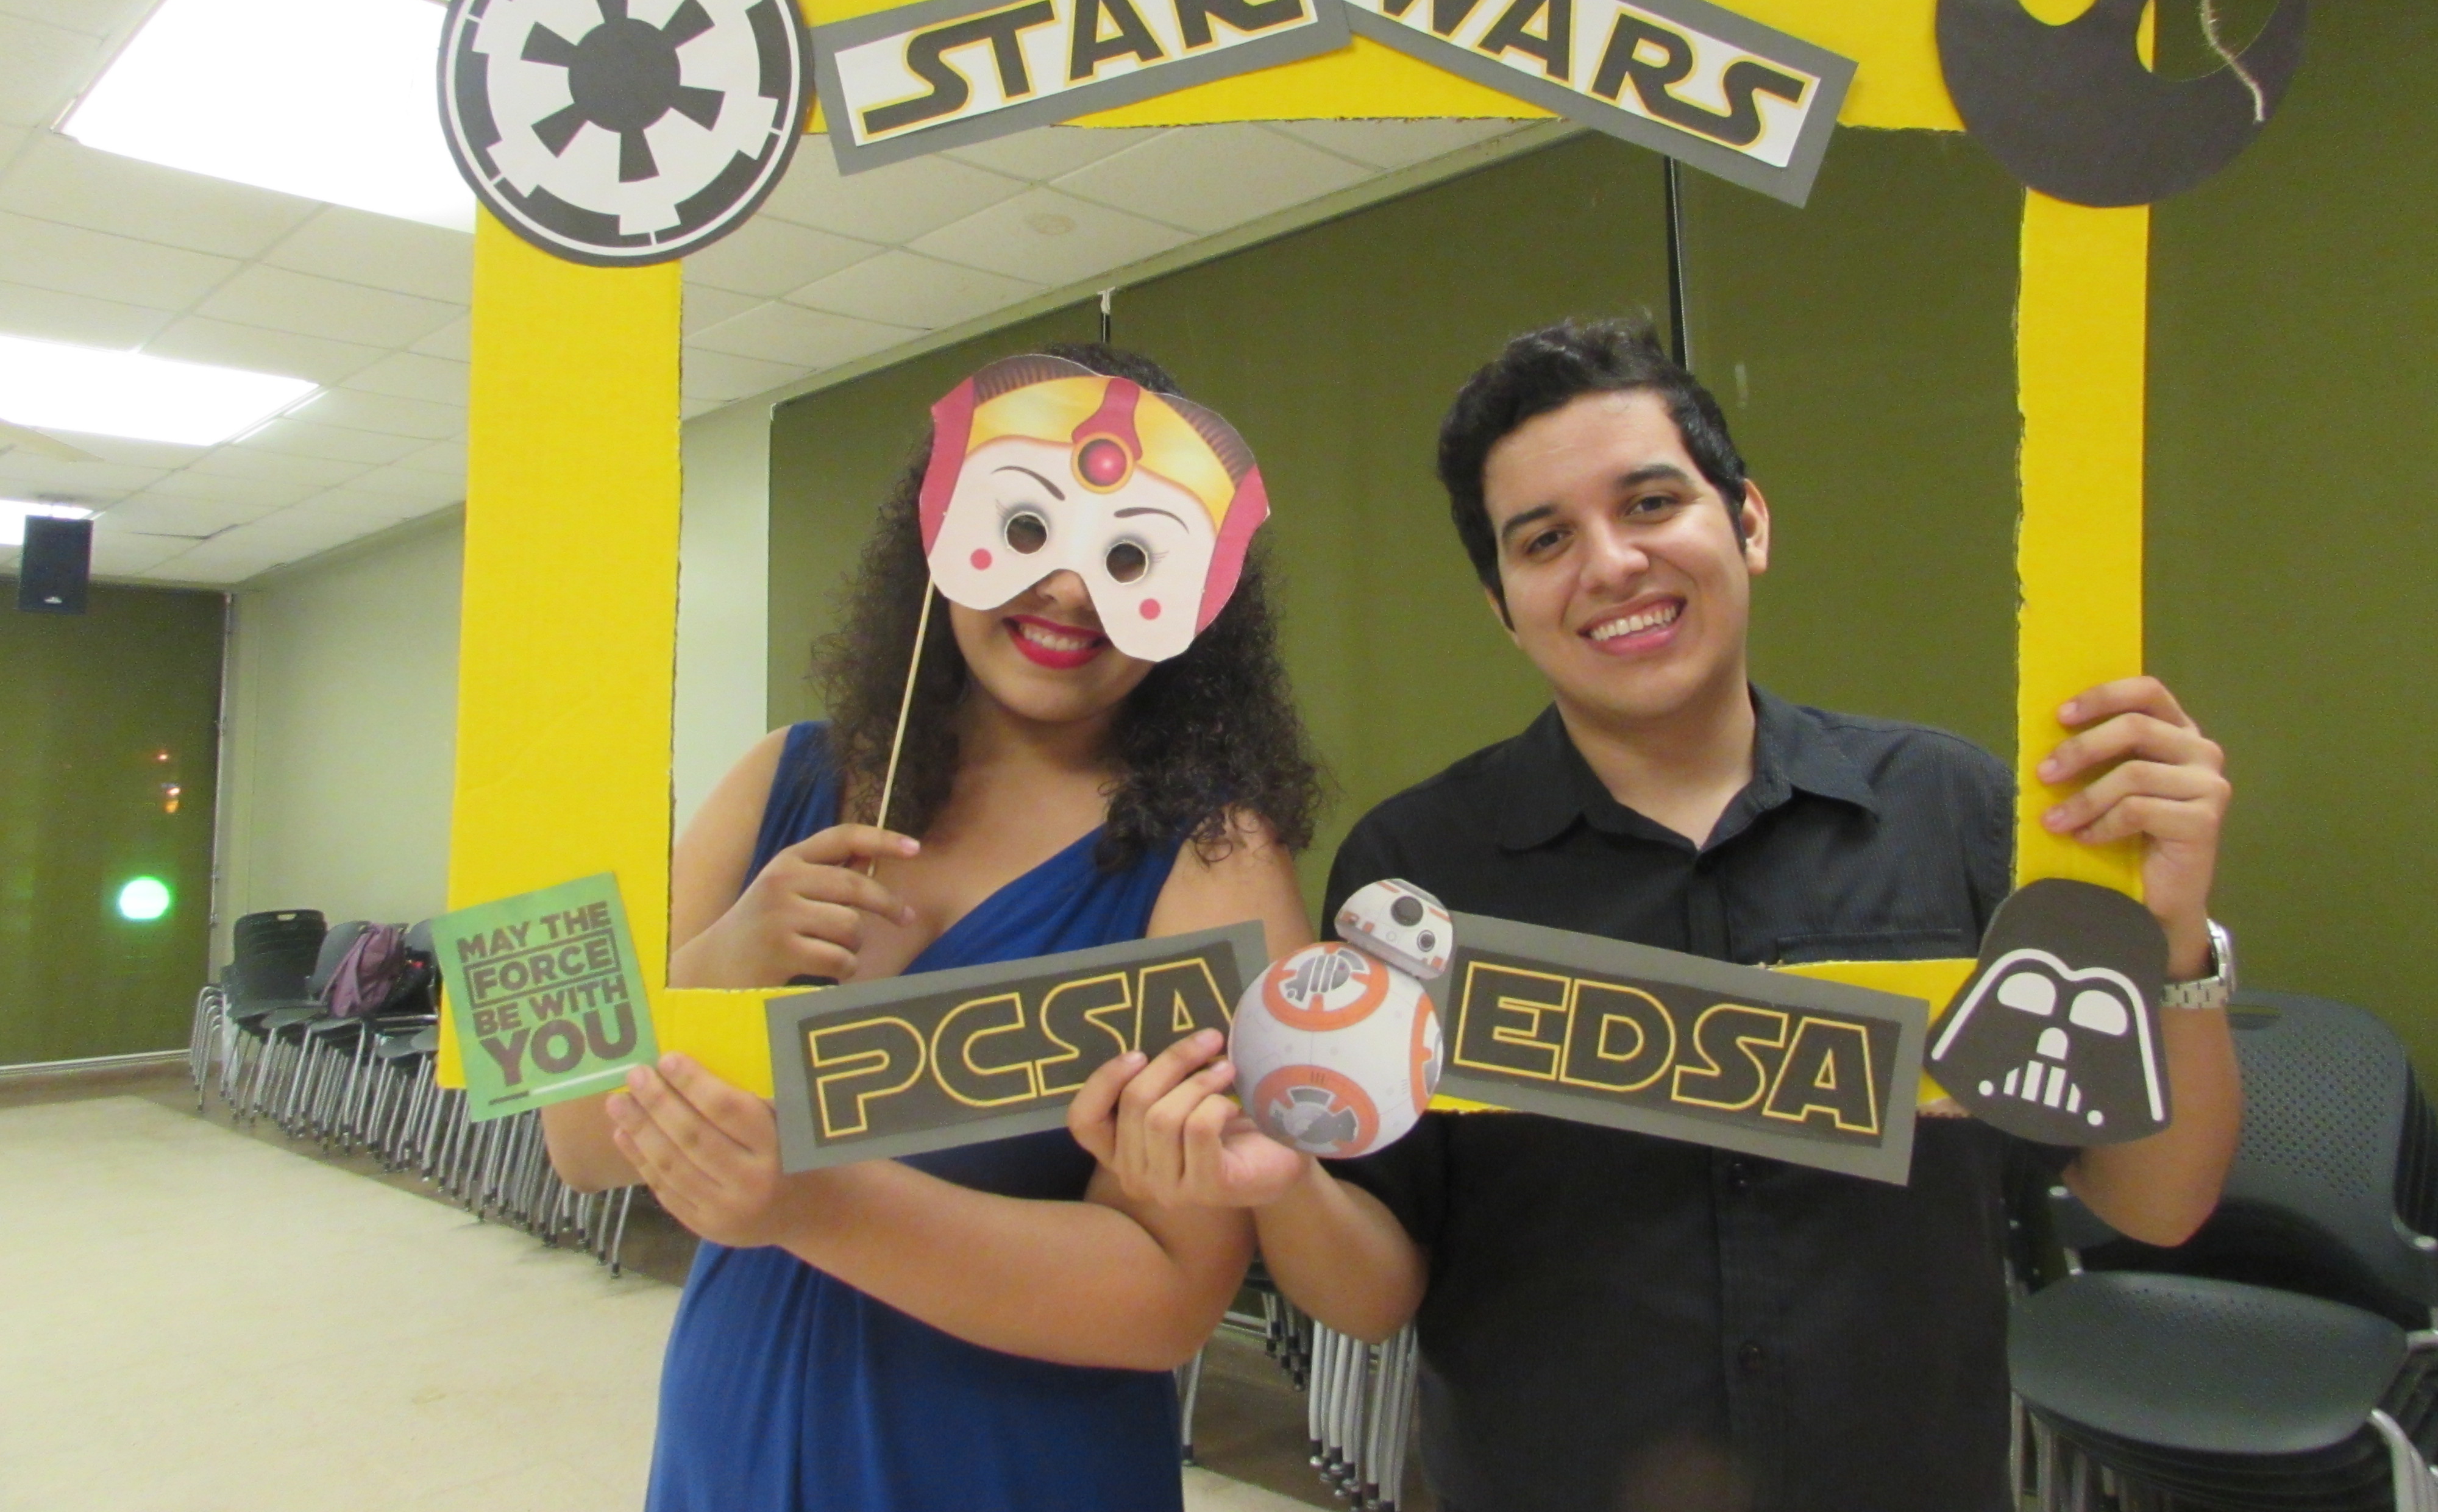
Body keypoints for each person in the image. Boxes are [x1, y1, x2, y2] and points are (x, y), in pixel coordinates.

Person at [1072, 318, 2240, 1512]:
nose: (1611, 564)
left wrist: (2172, 944)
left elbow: (2154, 1199)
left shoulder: (1953, 813)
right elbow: (1377, 1290)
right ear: (1502, 604)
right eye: (1543, 540)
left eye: (1648, 504)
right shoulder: (1414, 878)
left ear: (1748, 523)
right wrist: (1276, 1182)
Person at [541, 343, 1318, 1512]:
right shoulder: (778, 779)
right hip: (733, 1442)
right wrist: (725, 964)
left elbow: (1169, 1297)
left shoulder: (1218, 858)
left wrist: (807, 1199)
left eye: (1125, 554)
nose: (1064, 590)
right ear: (946, 525)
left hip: (1010, 1466)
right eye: (1026, 528)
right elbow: (579, 1142)